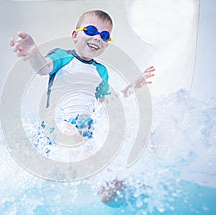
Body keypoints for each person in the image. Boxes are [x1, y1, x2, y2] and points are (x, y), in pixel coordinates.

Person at [10, 9, 155, 206]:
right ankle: (102, 183)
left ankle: (123, 179)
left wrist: (132, 87)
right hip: (55, 126)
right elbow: (43, 68)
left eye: (105, 36)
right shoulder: (63, 57)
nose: (97, 37)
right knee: (69, 133)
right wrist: (34, 53)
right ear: (75, 35)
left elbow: (109, 101)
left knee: (120, 130)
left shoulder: (100, 71)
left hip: (86, 127)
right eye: (91, 30)